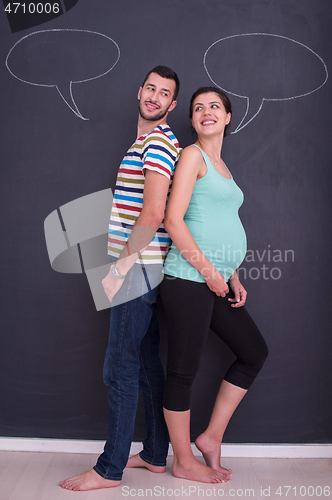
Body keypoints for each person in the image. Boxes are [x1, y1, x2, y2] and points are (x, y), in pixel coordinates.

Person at [60, 66, 181, 491]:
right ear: (139, 92)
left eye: (164, 93)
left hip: (136, 269)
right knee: (145, 364)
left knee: (119, 368)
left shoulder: (160, 143)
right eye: (151, 88)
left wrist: (120, 268)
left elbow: (153, 213)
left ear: (172, 105)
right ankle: (153, 454)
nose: (154, 96)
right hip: (141, 268)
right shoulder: (146, 142)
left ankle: (108, 469)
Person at [159, 86, 268, 484]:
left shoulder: (223, 166)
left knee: (253, 352)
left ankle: (211, 437)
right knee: (183, 372)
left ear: (227, 117)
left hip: (217, 280)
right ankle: (183, 460)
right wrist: (210, 273)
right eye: (198, 108)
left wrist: (234, 276)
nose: (206, 112)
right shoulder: (192, 156)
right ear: (192, 121)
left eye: (214, 107)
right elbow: (174, 221)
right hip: (189, 278)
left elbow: (219, 224)